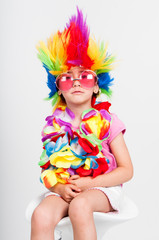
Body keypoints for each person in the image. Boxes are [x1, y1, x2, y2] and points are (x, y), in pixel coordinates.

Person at [31, 8, 133, 240]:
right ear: (58, 89)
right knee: (41, 215)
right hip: (66, 189)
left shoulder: (109, 122)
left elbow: (127, 171)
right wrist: (58, 188)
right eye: (67, 78)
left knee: (80, 207)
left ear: (97, 86)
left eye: (85, 76)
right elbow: (48, 171)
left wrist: (90, 183)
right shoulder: (53, 128)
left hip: (101, 188)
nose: (76, 82)